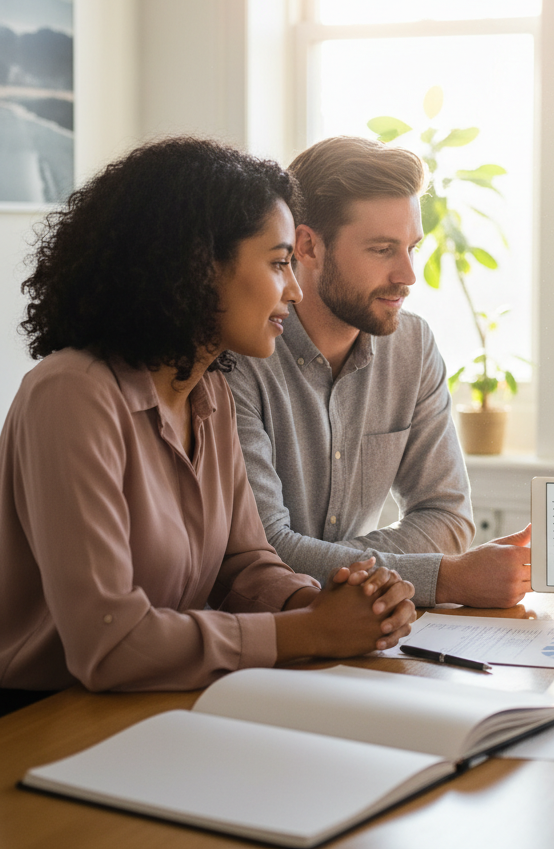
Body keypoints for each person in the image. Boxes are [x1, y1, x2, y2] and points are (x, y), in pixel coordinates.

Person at [0, 137, 416, 712]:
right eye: (277, 264)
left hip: (154, 702)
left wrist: (321, 601)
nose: (294, 291)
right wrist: (310, 632)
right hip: (40, 716)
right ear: (198, 266)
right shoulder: (71, 394)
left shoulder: (208, 389)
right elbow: (109, 643)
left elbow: (241, 564)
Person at [226, 136, 531, 610]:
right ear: (307, 246)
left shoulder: (412, 345)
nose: (408, 274)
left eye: (411, 247)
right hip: (258, 640)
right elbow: (264, 552)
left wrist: (334, 566)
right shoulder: (238, 357)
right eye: (383, 249)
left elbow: (448, 519)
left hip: (364, 633)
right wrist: (440, 579)